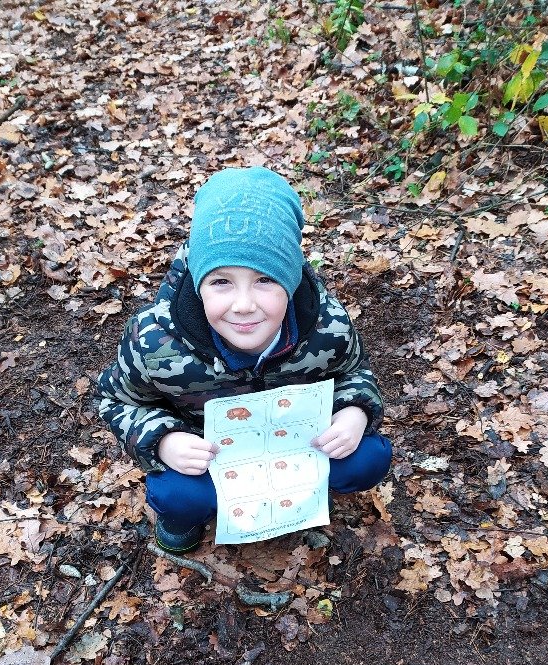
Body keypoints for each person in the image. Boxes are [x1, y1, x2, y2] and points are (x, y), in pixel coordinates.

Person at [96, 166, 392, 553]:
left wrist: (355, 412)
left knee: (367, 459)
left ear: (291, 281)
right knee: (178, 495)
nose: (243, 305)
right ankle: (185, 517)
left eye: (265, 280)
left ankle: (304, 494)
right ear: (198, 284)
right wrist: (164, 440)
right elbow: (115, 399)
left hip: (297, 443)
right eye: (221, 282)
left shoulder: (327, 324)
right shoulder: (154, 339)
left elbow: (355, 372)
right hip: (211, 455)